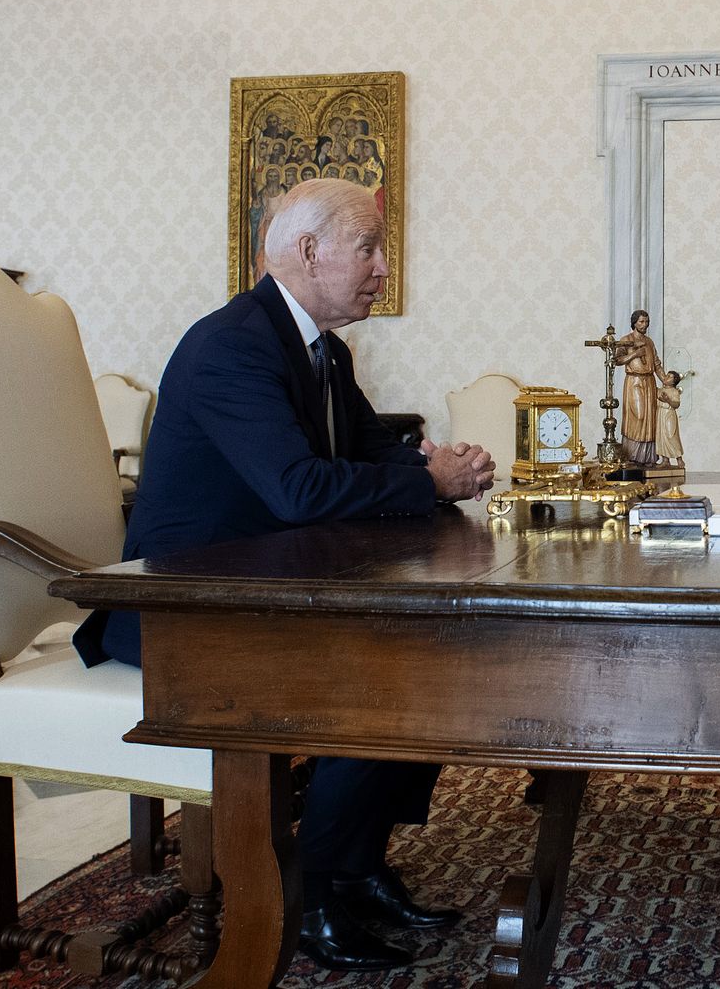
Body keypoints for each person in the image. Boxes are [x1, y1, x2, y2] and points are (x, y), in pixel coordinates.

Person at [73, 178, 495, 973]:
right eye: (368, 248)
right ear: (308, 252)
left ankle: (359, 867)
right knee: (382, 681)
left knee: (436, 654)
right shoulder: (231, 345)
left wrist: (441, 464)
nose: (382, 269)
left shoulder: (322, 349)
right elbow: (298, 488)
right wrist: (426, 484)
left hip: (256, 598)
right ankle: (312, 894)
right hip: (181, 612)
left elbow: (372, 450)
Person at [615, 309, 663, 464]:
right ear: (634, 323)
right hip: (634, 381)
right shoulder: (626, 340)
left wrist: (666, 380)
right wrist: (635, 354)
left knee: (650, 418)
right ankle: (632, 455)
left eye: (647, 322)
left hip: (649, 382)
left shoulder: (649, 342)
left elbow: (656, 363)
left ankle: (648, 457)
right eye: (641, 321)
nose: (645, 325)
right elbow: (617, 360)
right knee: (639, 415)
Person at [654, 370, 685, 467]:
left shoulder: (674, 392)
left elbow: (676, 404)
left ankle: (679, 459)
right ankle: (665, 460)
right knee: (661, 436)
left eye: (669, 377)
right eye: (666, 375)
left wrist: (668, 400)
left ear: (674, 381)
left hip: (669, 414)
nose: (665, 377)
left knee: (671, 436)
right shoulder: (659, 390)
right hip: (660, 414)